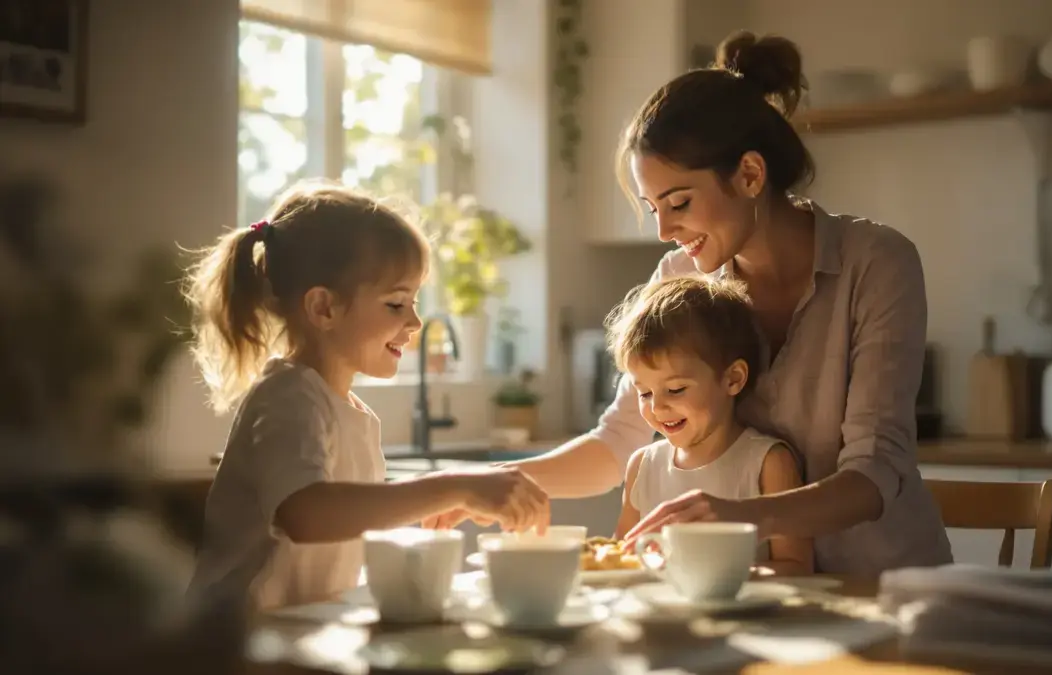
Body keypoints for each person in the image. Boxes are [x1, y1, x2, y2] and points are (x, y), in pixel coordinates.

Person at [431, 29, 952, 575]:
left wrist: (742, 516)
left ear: (750, 174)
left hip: (882, 585)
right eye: (652, 208)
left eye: (678, 203)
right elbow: (620, 440)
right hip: (753, 597)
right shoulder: (680, 274)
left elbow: (875, 469)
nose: (663, 231)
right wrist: (488, 483)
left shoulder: (875, 263)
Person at [185, 181, 550, 611]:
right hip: (234, 639)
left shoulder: (349, 411)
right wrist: (455, 487)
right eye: (396, 304)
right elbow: (307, 514)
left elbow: (346, 526)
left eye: (414, 302)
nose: (414, 323)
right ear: (323, 308)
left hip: (300, 628)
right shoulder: (289, 397)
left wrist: (444, 501)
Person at [607, 275, 812, 575]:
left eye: (675, 389)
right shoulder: (642, 467)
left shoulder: (769, 464)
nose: (657, 407)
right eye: (645, 393)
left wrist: (708, 574)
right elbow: (622, 556)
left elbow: (797, 567)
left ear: (733, 379)